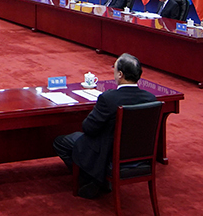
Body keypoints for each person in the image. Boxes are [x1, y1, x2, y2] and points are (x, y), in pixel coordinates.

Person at [53, 53, 157, 199]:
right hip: (139, 154)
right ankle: (97, 179)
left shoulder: (108, 98)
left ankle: (92, 179)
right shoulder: (151, 99)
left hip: (108, 152)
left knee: (61, 142)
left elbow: (88, 128)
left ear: (120, 74)